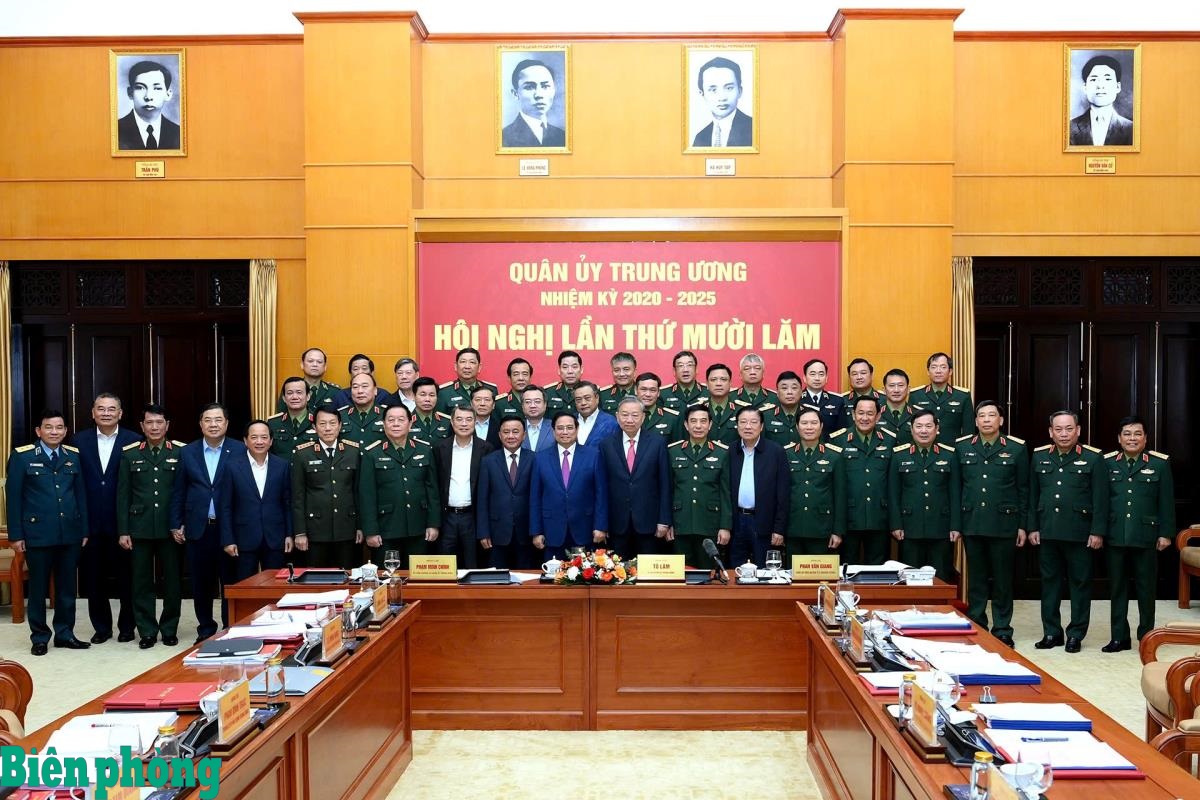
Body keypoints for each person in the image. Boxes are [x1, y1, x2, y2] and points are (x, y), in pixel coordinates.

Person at [6, 410, 91, 655]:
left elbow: (81, 495)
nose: (54, 432)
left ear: (65, 431)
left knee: (67, 588)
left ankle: (64, 634)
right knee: (38, 589)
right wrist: (16, 535)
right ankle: (40, 637)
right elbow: (13, 498)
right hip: (37, 533)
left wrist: (84, 528)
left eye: (59, 427)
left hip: (70, 533)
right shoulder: (22, 456)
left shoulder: (72, 456)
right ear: (38, 431)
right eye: (49, 427)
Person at [1028, 410, 1106, 653]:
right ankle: (1051, 632)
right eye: (1058, 429)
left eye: (1069, 429)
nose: (1064, 434)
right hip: (1048, 530)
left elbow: (1101, 499)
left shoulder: (1093, 458)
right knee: (1049, 584)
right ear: (1050, 432)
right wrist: (1032, 527)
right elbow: (1032, 495)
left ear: (1078, 430)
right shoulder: (1039, 456)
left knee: (1080, 584)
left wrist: (1097, 531)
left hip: (1080, 532)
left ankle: (1075, 634)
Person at [169, 403, 245, 643]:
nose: (213, 424)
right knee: (201, 583)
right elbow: (179, 490)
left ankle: (229, 628)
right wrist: (176, 522)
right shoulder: (187, 452)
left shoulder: (240, 449)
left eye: (218, 420)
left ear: (227, 424)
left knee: (230, 581)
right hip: (198, 527)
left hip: (229, 529)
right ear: (201, 424)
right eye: (208, 420)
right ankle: (205, 629)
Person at [956, 401, 1029, 648]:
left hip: (1004, 524)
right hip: (973, 522)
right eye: (982, 416)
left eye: (991, 415)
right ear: (976, 421)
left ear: (1001, 420)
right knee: (976, 579)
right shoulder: (962, 447)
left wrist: (1022, 525)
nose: (986, 420)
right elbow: (957, 488)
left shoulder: (1017, 448)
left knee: (1002, 580)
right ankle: (977, 624)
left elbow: (1023, 489)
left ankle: (1002, 628)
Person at [72, 392, 140, 644]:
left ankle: (127, 627)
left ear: (120, 413)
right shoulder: (79, 440)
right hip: (91, 522)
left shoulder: (134, 440)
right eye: (101, 408)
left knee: (127, 578)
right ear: (93, 413)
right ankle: (101, 627)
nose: (106, 413)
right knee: (94, 578)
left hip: (123, 523)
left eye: (112, 409)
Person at [116, 404, 185, 649]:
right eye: (149, 422)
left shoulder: (180, 452)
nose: (154, 427)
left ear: (167, 425)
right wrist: (123, 530)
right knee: (141, 582)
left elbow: (184, 492)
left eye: (159, 422)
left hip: (170, 528)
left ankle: (169, 629)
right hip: (140, 527)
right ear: (142, 426)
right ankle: (146, 630)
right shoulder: (130, 453)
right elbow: (123, 494)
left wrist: (182, 523)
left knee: (172, 582)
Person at [1102, 415, 1174, 651]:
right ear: (1119, 438)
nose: (1132, 438)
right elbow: (1101, 501)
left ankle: (1146, 637)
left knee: (1146, 589)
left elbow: (1166, 501)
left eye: (1137, 434)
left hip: (1146, 536)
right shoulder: (1107, 463)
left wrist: (1166, 533)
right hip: (1115, 534)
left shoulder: (1159, 464)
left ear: (1145, 438)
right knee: (1117, 588)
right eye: (1127, 434)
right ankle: (1119, 637)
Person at [358, 404, 441, 568]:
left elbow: (432, 490)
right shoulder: (372, 453)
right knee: (387, 577)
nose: (396, 424)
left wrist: (433, 524)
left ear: (410, 424)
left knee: (417, 578)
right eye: (391, 420)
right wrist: (371, 531)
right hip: (386, 529)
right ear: (384, 424)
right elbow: (367, 495)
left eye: (401, 420)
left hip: (419, 527)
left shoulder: (424, 449)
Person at [888, 410, 960, 582]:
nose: (923, 431)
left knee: (941, 577)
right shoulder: (899, 455)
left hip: (941, 527)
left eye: (928, 426)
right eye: (919, 426)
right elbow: (893, 493)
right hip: (909, 528)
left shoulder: (949, 455)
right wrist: (896, 524)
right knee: (910, 579)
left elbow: (955, 492)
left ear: (937, 429)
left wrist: (955, 525)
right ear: (911, 429)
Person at [219, 420, 293, 583]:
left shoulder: (282, 466)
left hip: (275, 537)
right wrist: (228, 540)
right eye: (254, 437)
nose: (259, 441)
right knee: (245, 586)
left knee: (275, 585)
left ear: (271, 441)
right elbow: (225, 507)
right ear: (245, 441)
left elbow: (287, 503)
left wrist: (289, 534)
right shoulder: (231, 466)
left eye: (264, 437)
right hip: (243, 538)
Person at [599, 397, 672, 558]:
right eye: (625, 415)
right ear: (617, 416)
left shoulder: (657, 443)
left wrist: (664, 520)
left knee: (647, 571)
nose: (629, 420)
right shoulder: (606, 445)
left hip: (649, 522)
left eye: (635, 415)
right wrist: (602, 523)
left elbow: (665, 484)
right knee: (618, 570)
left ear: (643, 417)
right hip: (616, 523)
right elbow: (602, 487)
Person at [529, 411, 609, 558]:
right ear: (553, 431)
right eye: (560, 428)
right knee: (553, 572)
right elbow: (535, 497)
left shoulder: (594, 455)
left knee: (585, 571)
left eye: (569, 428)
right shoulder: (540, 458)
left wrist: (601, 526)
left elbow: (601, 494)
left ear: (577, 429)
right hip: (551, 531)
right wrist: (536, 531)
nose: (565, 432)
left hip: (585, 529)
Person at [291, 407, 362, 569]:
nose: (328, 428)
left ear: (340, 425)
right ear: (314, 427)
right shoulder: (302, 454)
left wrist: (360, 526)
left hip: (347, 528)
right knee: (316, 578)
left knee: (348, 577)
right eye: (322, 424)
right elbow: (298, 497)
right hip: (315, 530)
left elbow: (358, 492)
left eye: (332, 423)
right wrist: (300, 532)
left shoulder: (353, 451)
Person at [830, 395, 895, 565]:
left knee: (878, 570)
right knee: (847, 567)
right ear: (853, 414)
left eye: (870, 413)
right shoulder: (838, 440)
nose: (864, 418)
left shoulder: (890, 440)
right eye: (860, 413)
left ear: (878, 416)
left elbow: (894, 482)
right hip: (849, 517)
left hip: (879, 516)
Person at [667, 405, 731, 568]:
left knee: (709, 574)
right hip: (680, 524)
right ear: (686, 425)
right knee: (681, 574)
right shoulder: (673, 451)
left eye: (703, 421)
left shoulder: (722, 452)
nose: (698, 426)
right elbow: (668, 490)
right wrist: (667, 522)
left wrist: (725, 526)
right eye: (693, 421)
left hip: (709, 524)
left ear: (710, 425)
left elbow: (726, 493)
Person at [727, 407, 790, 567]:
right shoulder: (731, 450)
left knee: (764, 570)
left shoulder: (776, 452)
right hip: (736, 522)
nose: (748, 426)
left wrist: (779, 528)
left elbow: (783, 494)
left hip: (764, 522)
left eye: (753, 422)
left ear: (761, 426)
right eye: (743, 422)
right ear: (737, 425)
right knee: (736, 569)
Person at [433, 405, 494, 569]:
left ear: (475, 422)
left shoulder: (486, 449)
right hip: (447, 517)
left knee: (473, 564)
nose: (464, 424)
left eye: (469, 419)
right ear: (452, 422)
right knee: (445, 566)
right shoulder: (440, 448)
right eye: (459, 419)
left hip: (473, 517)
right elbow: (434, 485)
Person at [784, 408, 846, 557]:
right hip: (792, 527)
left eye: (814, 423)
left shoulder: (834, 456)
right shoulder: (786, 454)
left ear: (821, 426)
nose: (809, 427)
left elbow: (840, 496)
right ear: (797, 427)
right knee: (792, 570)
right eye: (804, 423)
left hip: (822, 527)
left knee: (820, 571)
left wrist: (837, 531)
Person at [476, 416, 535, 569]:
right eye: (506, 432)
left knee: (526, 577)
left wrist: (537, 530)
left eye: (515, 431)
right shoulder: (488, 461)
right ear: (499, 435)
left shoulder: (534, 459)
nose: (510, 436)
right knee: (497, 578)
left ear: (524, 435)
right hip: (497, 532)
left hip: (527, 532)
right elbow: (482, 499)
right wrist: (483, 532)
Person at [909, 353, 975, 445]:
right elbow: (910, 427)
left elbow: (969, 430)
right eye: (934, 367)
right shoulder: (916, 395)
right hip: (925, 449)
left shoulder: (962, 396)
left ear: (950, 371)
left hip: (953, 450)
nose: (938, 371)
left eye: (943, 367)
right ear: (928, 371)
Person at [1069, 54, 1134, 147]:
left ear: (1117, 87)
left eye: (1107, 79)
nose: (1100, 86)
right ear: (1085, 87)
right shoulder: (1069, 128)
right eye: (1094, 79)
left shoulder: (1131, 129)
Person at [117, 60, 181, 150]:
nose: (148, 97)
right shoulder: (116, 130)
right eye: (140, 88)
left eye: (157, 88)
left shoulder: (178, 133)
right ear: (130, 93)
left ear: (168, 94)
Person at [502, 59, 566, 148]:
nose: (539, 95)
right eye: (529, 87)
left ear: (553, 90)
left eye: (545, 86)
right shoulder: (503, 138)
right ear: (515, 94)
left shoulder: (562, 136)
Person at [691, 56, 753, 148]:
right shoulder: (701, 137)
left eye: (729, 88)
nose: (722, 97)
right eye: (713, 90)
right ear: (702, 94)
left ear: (740, 91)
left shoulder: (754, 128)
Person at [276, 348, 340, 415]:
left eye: (319, 362)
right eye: (310, 361)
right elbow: (282, 415)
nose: (315, 364)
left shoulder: (334, 391)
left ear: (325, 367)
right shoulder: (290, 388)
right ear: (302, 365)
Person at [267, 377, 317, 456]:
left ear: (308, 396)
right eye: (289, 393)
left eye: (299, 392)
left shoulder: (318, 421)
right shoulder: (273, 423)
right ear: (284, 398)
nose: (294, 397)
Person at [437, 347, 497, 412]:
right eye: (463, 362)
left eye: (472, 362)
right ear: (456, 366)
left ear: (479, 367)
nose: (467, 366)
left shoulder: (491, 389)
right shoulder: (444, 392)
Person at [339, 372, 386, 448]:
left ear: (375, 390)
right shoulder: (340, 415)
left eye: (364, 386)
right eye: (355, 387)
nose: (360, 391)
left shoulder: (387, 414)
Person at [802, 359, 846, 438]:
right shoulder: (797, 400)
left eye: (821, 374)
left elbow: (842, 431)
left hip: (830, 444)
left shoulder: (837, 401)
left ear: (826, 378)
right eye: (812, 374)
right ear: (804, 378)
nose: (817, 378)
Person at [704, 363, 744, 445]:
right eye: (713, 380)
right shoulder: (698, 410)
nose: (718, 383)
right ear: (707, 384)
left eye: (723, 379)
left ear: (730, 383)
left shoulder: (742, 410)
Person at [635, 372, 682, 442]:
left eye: (652, 390)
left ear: (658, 393)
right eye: (643, 389)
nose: (648, 394)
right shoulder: (627, 416)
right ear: (636, 390)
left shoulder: (672, 418)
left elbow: (677, 446)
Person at [840, 358, 885, 428]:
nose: (859, 377)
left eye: (863, 373)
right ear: (849, 377)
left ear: (871, 375)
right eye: (854, 374)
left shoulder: (885, 399)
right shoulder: (841, 401)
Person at [876, 368, 917, 445]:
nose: (896, 390)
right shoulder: (875, 413)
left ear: (908, 389)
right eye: (891, 386)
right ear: (884, 390)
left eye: (900, 385)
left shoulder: (918, 414)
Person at [763, 370, 803, 446]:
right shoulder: (765, 416)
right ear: (777, 392)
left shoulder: (810, 415)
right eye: (784, 388)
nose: (789, 392)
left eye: (794, 388)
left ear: (801, 391)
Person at [574, 381, 619, 447]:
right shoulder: (570, 420)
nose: (583, 403)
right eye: (578, 399)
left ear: (597, 398)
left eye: (587, 398)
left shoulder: (611, 422)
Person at [410, 376, 452, 442]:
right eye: (423, 395)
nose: (427, 399)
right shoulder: (406, 422)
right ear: (413, 396)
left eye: (432, 395)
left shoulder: (448, 422)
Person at [521, 385, 555, 452]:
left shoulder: (554, 426)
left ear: (545, 404)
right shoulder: (516, 427)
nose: (532, 406)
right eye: (528, 402)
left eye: (537, 401)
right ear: (522, 405)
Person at [471, 385, 503, 449]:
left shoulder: (500, 427)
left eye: (487, 400)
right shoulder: (462, 425)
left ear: (493, 405)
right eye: (478, 400)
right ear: (471, 404)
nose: (482, 404)